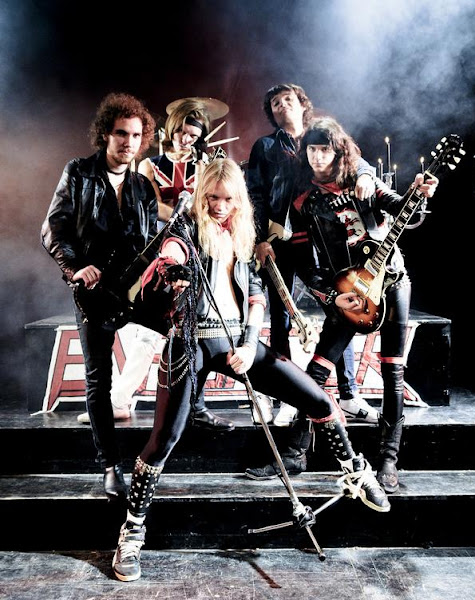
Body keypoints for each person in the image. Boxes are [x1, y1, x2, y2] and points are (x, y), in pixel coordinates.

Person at [111, 158, 390, 582]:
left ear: (238, 199)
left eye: (228, 199)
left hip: (238, 342)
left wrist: (247, 342)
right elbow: (170, 255)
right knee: (163, 439)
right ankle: (131, 532)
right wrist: (173, 270)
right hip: (190, 343)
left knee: (316, 398)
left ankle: (355, 469)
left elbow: (256, 289)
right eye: (212, 197)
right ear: (202, 195)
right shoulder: (186, 228)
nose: (219, 206)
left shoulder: (241, 232)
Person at [257, 116, 439, 494]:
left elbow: (402, 208)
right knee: (316, 371)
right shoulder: (304, 198)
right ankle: (294, 452)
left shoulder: (362, 181)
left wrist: (420, 193)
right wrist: (331, 295)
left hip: (390, 282)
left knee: (392, 371)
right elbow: (305, 263)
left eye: (324, 149)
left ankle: (388, 459)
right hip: (346, 291)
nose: (317, 156)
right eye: (312, 148)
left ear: (338, 151)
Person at [76, 97, 234, 431]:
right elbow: (149, 207)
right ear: (170, 129)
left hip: (198, 250)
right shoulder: (149, 166)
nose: (186, 139)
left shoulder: (206, 165)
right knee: (149, 330)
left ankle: (190, 406)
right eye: (181, 132)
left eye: (193, 135)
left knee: (193, 329)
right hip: (159, 251)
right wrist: (183, 213)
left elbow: (219, 201)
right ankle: (122, 401)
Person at [245, 83, 378, 477]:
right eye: (274, 102)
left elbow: (356, 161)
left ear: (302, 104)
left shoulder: (321, 135)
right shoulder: (264, 147)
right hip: (278, 240)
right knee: (280, 318)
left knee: (341, 314)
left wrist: (366, 175)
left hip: (321, 240)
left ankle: (349, 392)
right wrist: (259, 238)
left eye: (287, 99)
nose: (281, 105)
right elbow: (254, 193)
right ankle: (285, 395)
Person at [41, 93, 158, 500]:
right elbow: (54, 228)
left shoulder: (143, 186)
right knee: (98, 378)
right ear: (106, 134)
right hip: (94, 290)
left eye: (136, 135)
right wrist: (75, 268)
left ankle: (183, 424)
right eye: (121, 133)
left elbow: (149, 244)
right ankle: (110, 465)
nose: (129, 142)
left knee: (184, 336)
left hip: (134, 288)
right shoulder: (79, 172)